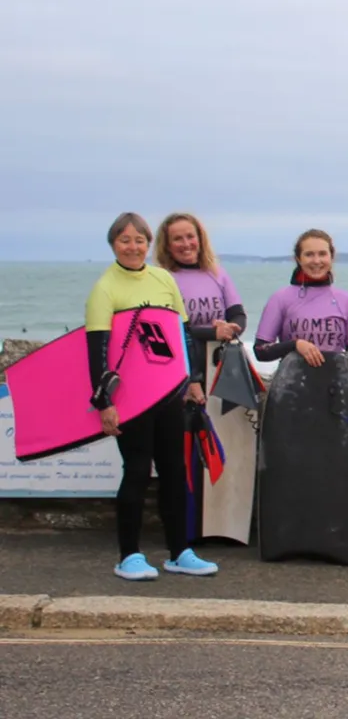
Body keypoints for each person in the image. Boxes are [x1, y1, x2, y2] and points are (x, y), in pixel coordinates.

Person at [85, 212, 219, 581]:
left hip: (167, 392)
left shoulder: (162, 279)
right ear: (113, 244)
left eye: (139, 240)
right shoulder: (105, 288)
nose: (133, 247)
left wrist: (191, 380)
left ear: (148, 243)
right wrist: (104, 403)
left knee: (175, 471)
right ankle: (129, 555)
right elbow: (96, 351)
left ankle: (180, 551)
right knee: (138, 471)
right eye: (124, 240)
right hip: (128, 396)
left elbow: (183, 334)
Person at [253, 229, 348, 370]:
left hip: (336, 385)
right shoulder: (280, 298)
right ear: (298, 259)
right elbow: (260, 351)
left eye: (322, 254)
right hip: (291, 385)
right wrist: (295, 345)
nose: (316, 261)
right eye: (309, 254)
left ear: (331, 257)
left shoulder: (346, 300)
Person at [154, 212, 248, 385]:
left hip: (221, 364)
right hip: (183, 368)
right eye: (177, 239)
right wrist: (213, 333)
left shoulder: (217, 273)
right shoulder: (162, 278)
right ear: (167, 245)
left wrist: (232, 328)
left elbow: (238, 314)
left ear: (200, 239)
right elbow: (169, 331)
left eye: (190, 236)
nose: (186, 244)